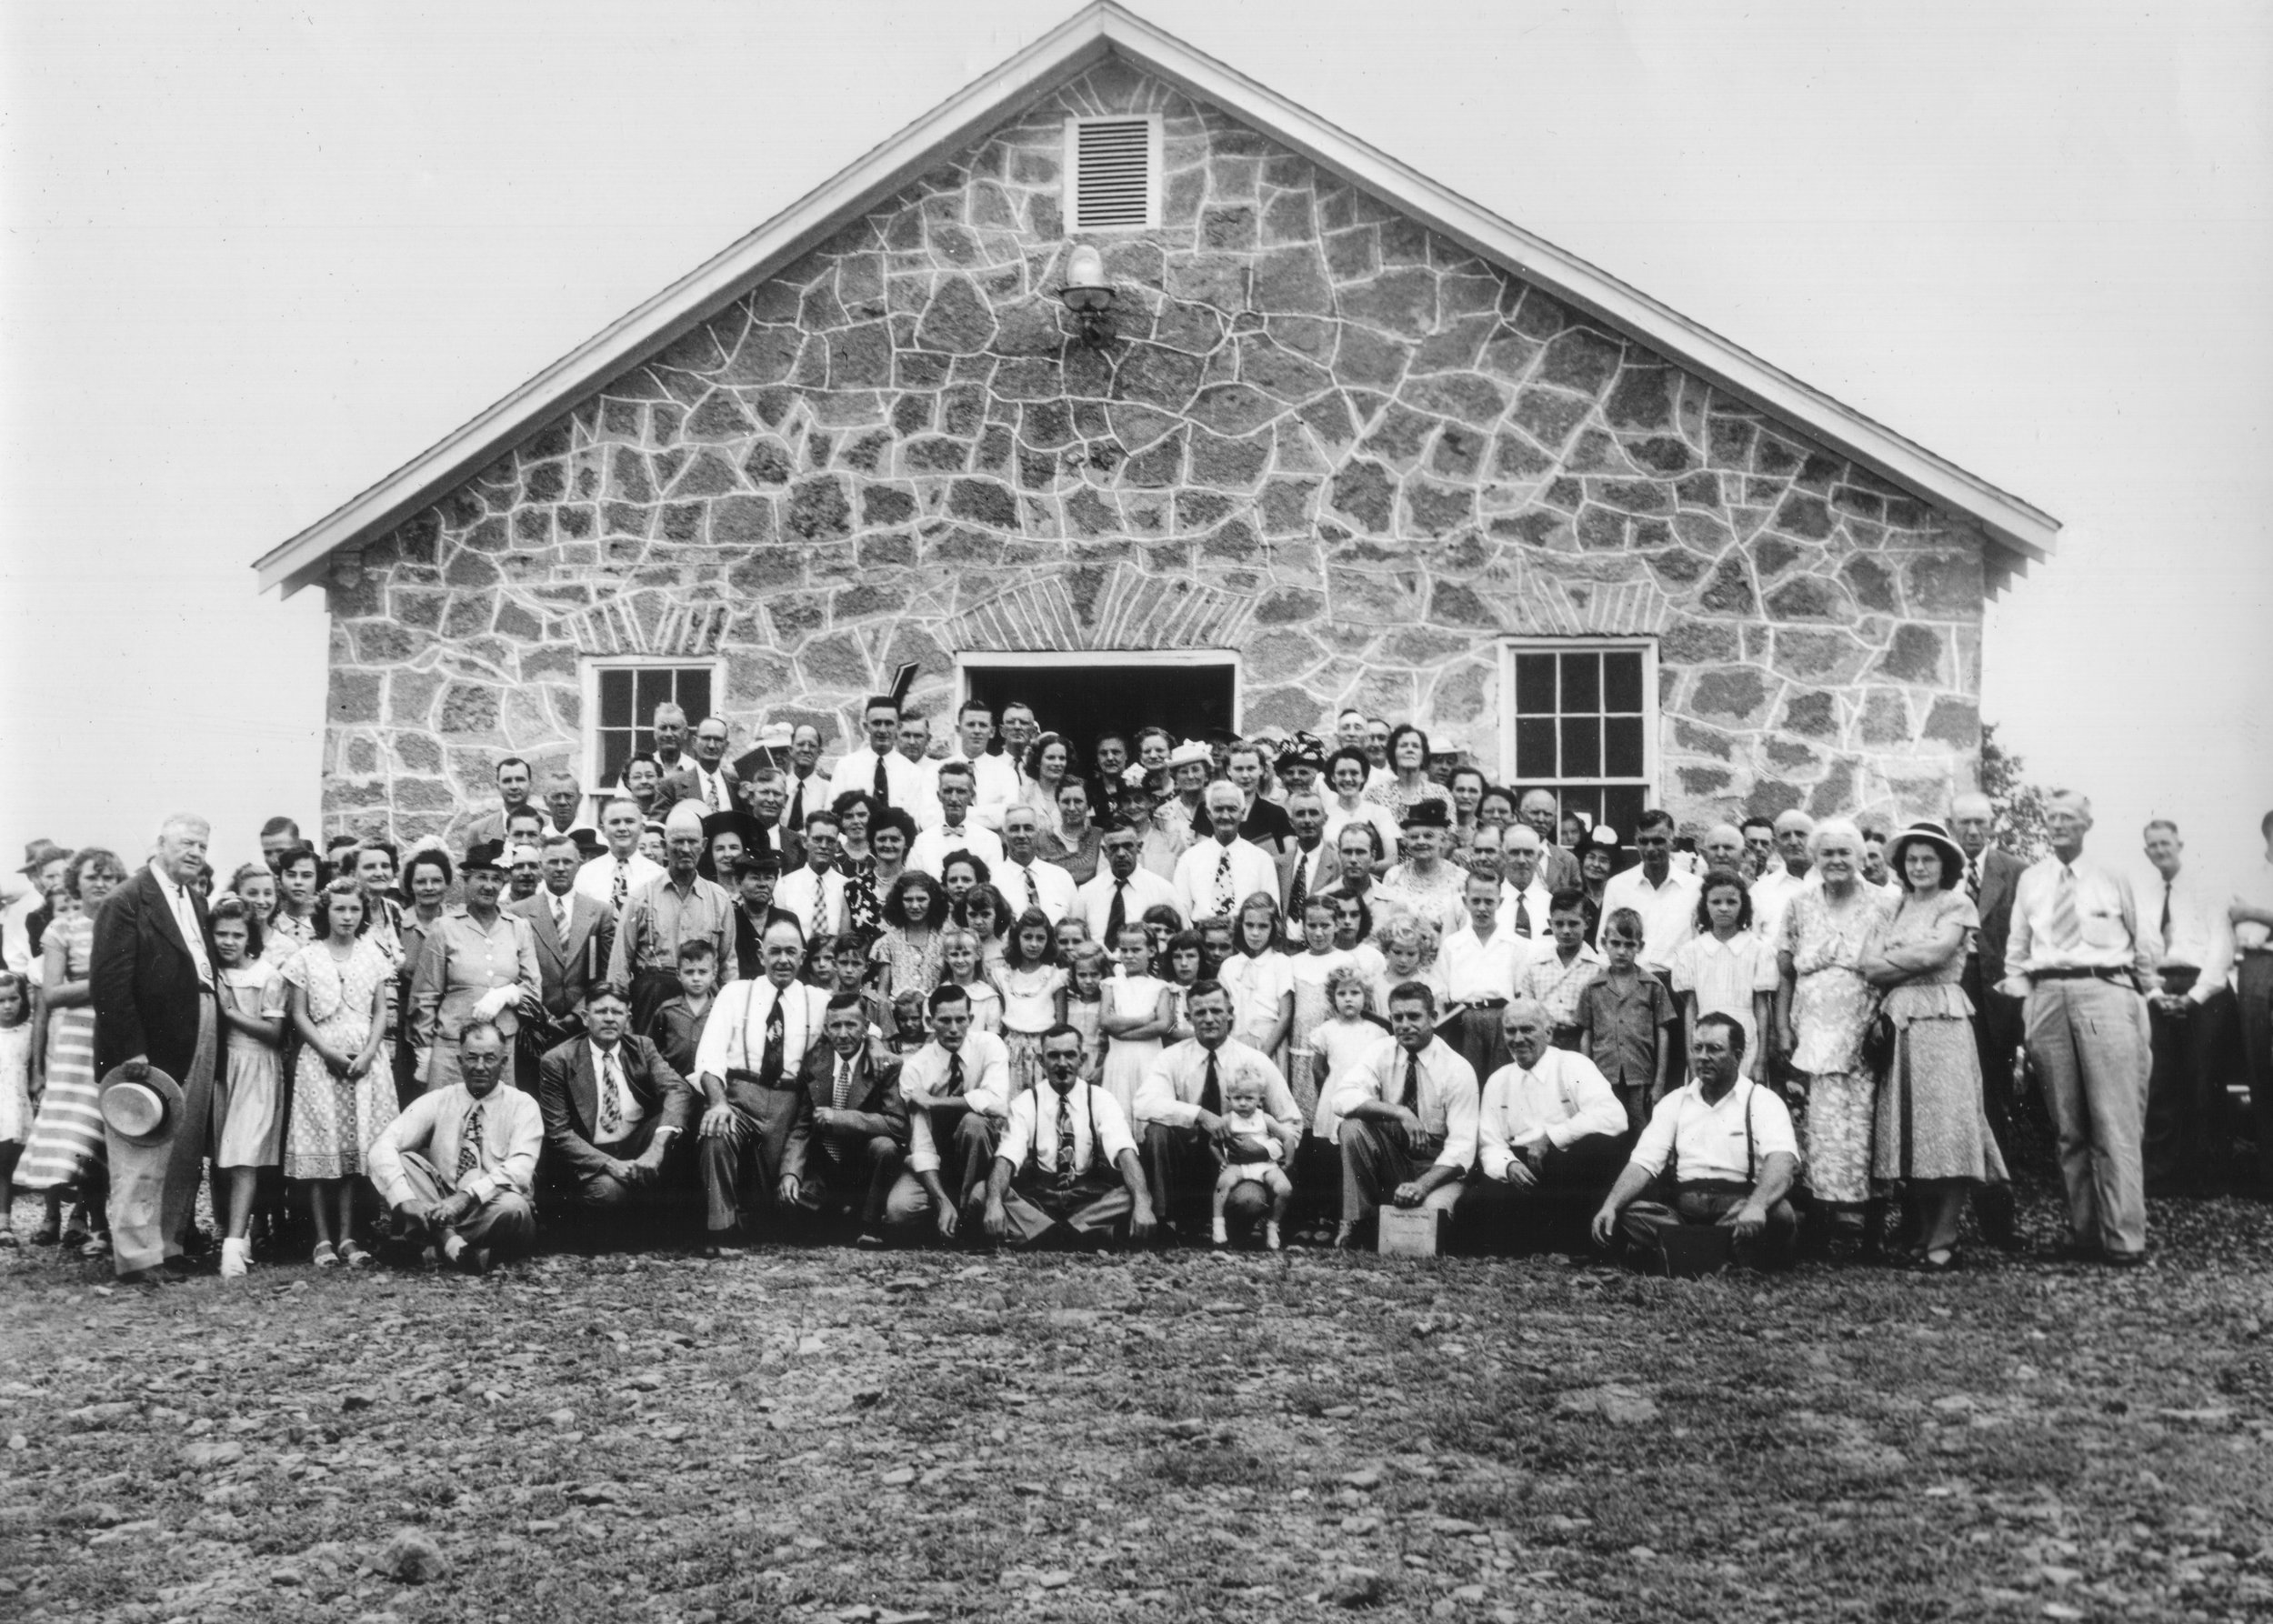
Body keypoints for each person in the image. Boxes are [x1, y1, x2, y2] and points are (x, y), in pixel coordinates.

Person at [1999, 790, 2158, 1265]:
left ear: (2088, 824)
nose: (2057, 825)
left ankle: (2125, 1236)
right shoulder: (2032, 879)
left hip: (2104, 990)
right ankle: (2084, 1232)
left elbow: (2144, 942)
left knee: (2115, 1120)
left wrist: (2139, 999)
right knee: (2067, 1127)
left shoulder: (2115, 875)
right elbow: (2017, 948)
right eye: (2051, 818)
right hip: (2048, 996)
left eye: (2068, 817)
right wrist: (2028, 1004)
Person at [1857, 820, 2010, 1270]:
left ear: (1945, 865)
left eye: (1928, 859)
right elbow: (1867, 966)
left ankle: (1946, 1237)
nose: (1919, 866)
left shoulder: (1956, 903)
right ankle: (1923, 1235)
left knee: (1949, 1127)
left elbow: (1937, 955)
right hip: (1901, 1023)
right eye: (1912, 859)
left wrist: (1894, 962)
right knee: (1914, 1131)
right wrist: (1904, 962)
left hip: (1943, 1020)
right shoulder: (1894, 907)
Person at [88, 816, 222, 1284]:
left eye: (203, 846)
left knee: (183, 1147)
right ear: (160, 843)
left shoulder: (197, 900)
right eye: (187, 842)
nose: (196, 852)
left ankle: (168, 1244)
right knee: (140, 1146)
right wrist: (131, 1050)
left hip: (200, 1026)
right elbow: (108, 985)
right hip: (148, 1043)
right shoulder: (126, 900)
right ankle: (136, 1256)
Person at [1591, 1014, 1800, 1270]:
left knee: (1779, 1214)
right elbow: (1644, 1162)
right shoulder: (1675, 1101)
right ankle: (1718, 1255)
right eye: (1697, 1048)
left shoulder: (1762, 1101)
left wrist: (1756, 1206)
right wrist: (1611, 1205)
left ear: (1738, 1055)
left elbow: (1782, 1160)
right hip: (1682, 1215)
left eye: (1714, 1049)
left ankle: (1682, 1254)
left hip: (1739, 1209)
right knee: (1629, 1213)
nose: (1702, 1057)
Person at [1776, 818, 1893, 1248]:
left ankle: (1871, 1231)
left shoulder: (1886, 903)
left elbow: (1896, 969)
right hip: (1816, 1031)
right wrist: (1784, 1030)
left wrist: (1884, 1018)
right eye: (1828, 853)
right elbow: (1785, 971)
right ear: (1815, 858)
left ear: (1862, 858)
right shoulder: (1799, 904)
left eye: (1846, 852)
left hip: (1867, 1029)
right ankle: (1824, 1227)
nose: (1837, 860)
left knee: (1866, 1124)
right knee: (1822, 1128)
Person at [692, 918, 834, 1251]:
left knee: (789, 1204)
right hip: (740, 1100)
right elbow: (709, 1056)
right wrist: (718, 1103)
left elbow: (864, 1033)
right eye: (774, 952)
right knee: (716, 1130)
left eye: (790, 952)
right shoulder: (736, 993)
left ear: (802, 957)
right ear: (760, 954)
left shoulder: (818, 1000)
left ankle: (764, 1216)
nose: (783, 960)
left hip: (790, 1108)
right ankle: (721, 1229)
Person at [280, 877, 397, 1267]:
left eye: (354, 909)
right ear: (325, 912)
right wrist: (327, 1051)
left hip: (365, 1060)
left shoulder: (373, 954)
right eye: (339, 909)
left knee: (352, 1156)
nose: (347, 917)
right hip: (321, 1061)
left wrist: (367, 1053)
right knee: (321, 1150)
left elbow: (381, 1010)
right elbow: (297, 1013)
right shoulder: (306, 958)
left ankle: (348, 1237)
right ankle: (322, 1239)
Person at [1132, 980, 1301, 1241]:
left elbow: (1291, 1123)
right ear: (1189, 1018)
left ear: (1230, 1013)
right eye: (1200, 1013)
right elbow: (1142, 1103)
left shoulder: (1254, 1061)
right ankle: (1167, 1223)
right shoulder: (1172, 1057)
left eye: (1217, 1011)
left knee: (1250, 1203)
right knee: (1157, 1132)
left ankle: (1227, 1226)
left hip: (1238, 1164)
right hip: (1186, 1163)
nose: (1209, 1019)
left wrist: (1266, 1150)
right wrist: (1199, 1114)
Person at [22, 848, 127, 1261]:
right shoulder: (61, 929)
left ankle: (128, 1227)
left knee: (124, 1130)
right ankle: (98, 1225)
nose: (100, 884)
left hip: (123, 1035)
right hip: (79, 1042)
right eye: (91, 878)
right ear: (74, 884)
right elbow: (52, 993)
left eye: (108, 877)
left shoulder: (128, 923)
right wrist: (111, 983)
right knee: (85, 1138)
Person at [368, 1020, 540, 1273]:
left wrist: (467, 1197)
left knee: (514, 1208)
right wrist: (404, 1200)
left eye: (490, 1059)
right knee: (404, 1160)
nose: (479, 1067)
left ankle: (427, 1245)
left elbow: (521, 1168)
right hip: (439, 1206)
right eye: (471, 1058)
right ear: (459, 1062)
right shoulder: (439, 1099)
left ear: (503, 1064)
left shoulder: (523, 1105)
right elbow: (381, 1146)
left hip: (488, 1208)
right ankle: (455, 1246)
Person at [1464, 998, 1628, 1252]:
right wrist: (1508, 1166)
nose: (1518, 1039)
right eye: (1510, 1031)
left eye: (1527, 1030)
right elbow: (1489, 1144)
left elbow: (1613, 1116)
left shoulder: (1573, 1064)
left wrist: (1550, 1138)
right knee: (1471, 1204)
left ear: (1549, 1032)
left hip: (1567, 1163)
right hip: (1522, 1169)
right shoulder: (1498, 1080)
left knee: (1599, 1151)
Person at [979, 1024, 1159, 1249]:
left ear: (1082, 1059)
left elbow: (1124, 1151)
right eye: (1053, 1056)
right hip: (1040, 1199)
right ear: (1041, 1061)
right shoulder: (1026, 1102)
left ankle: (1049, 1234)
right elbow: (1007, 1156)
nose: (1062, 1063)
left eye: (1070, 1055)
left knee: (1135, 1195)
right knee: (982, 1194)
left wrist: (1142, 1203)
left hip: (1089, 1199)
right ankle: (1085, 1235)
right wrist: (995, 1202)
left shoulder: (1101, 1099)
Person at [1327, 982, 1479, 1248]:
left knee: (1430, 1221)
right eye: (1398, 1017)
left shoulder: (1457, 1069)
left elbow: (1462, 1148)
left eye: (1414, 1016)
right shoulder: (1380, 1051)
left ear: (1433, 1018)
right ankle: (1358, 1223)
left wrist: (1422, 1185)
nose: (1405, 1025)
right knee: (1352, 1127)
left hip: (1436, 1166)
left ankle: (1408, 1216)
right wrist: (1400, 1112)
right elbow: (1342, 1097)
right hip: (1394, 1155)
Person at [536, 982, 693, 1235]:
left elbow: (678, 1089)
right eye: (601, 1012)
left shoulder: (642, 1048)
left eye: (617, 1012)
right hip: (591, 1157)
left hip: (636, 1147)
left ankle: (660, 1222)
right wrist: (610, 1164)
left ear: (628, 1018)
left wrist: (655, 1150)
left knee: (678, 1123)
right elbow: (558, 1133)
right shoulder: (558, 1061)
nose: (609, 1019)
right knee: (610, 1194)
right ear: (585, 1018)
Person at [2138, 817, 2238, 1195]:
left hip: (2206, 989)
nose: (2160, 850)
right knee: (2160, 1080)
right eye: (2153, 845)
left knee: (2203, 1080)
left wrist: (2193, 997)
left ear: (2180, 844)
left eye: (2166, 843)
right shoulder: (2143, 894)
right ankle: (2162, 1173)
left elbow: (2221, 950)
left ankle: (2206, 1175)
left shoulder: (2208, 887)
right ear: (2146, 852)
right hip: (2161, 988)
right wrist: (2153, 993)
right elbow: (2141, 951)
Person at [1949, 790, 2029, 1244]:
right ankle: (1942, 1218)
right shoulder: (1935, 869)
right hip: (1951, 1001)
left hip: (2001, 1006)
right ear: (1952, 824)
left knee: (1994, 1106)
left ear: (1992, 824)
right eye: (1965, 823)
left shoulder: (2016, 872)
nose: (1974, 831)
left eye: (1981, 822)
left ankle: (1998, 1219)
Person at [880, 983, 1014, 1239]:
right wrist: (940, 1199)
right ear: (930, 1021)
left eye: (960, 1020)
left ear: (971, 1019)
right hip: (938, 1158)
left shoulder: (989, 1045)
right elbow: (921, 1144)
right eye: (945, 1020)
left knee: (973, 1123)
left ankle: (965, 1215)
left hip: (981, 1154)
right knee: (898, 1212)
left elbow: (997, 1102)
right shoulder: (916, 1067)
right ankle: (948, 1209)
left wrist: (934, 1102)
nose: (953, 1029)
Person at [409, 842, 541, 1095]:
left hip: (500, 1049)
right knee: (449, 1119)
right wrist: (424, 1052)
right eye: (481, 877)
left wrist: (505, 995)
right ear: (466, 881)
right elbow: (424, 996)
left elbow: (533, 991)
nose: (489, 886)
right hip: (452, 1047)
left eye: (496, 879)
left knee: (497, 1120)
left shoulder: (517, 927)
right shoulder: (444, 927)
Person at [607, 801, 738, 1029]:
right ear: (665, 844)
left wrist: (730, 1017)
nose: (685, 849)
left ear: (703, 845)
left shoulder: (719, 899)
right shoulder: (641, 898)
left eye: (692, 842)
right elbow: (619, 967)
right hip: (652, 1002)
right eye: (678, 841)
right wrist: (621, 1019)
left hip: (704, 1006)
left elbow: (728, 966)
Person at [208, 895, 285, 1279]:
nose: (228, 941)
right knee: (224, 1159)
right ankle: (233, 1234)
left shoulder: (266, 975)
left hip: (255, 1068)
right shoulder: (210, 973)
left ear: (249, 937)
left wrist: (232, 1013)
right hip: (221, 1070)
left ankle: (233, 1248)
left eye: (237, 934)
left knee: (243, 1157)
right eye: (221, 933)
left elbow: (274, 1033)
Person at [795, 993, 907, 1246]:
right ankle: (832, 1216)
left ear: (867, 1028)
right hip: (825, 1164)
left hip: (863, 1165)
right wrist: (790, 1174)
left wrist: (842, 1119)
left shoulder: (886, 1065)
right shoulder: (814, 1061)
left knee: (885, 1147)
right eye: (836, 1025)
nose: (843, 1034)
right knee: (795, 1219)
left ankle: (870, 1226)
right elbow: (801, 1126)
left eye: (851, 1025)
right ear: (826, 1028)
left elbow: (898, 1125)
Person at [507, 832, 615, 1079]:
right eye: (552, 862)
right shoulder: (518, 913)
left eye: (567, 862)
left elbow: (605, 973)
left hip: (583, 1024)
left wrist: (577, 1015)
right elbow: (514, 973)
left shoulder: (600, 913)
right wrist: (541, 1014)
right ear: (541, 866)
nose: (560, 868)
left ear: (579, 864)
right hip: (534, 1027)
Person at [1667, 869, 1779, 1084]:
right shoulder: (1692, 951)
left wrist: (1761, 1059)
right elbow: (1691, 1008)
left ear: (1743, 905)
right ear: (1705, 905)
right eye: (1716, 902)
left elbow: (1762, 1007)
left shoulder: (1758, 950)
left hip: (1746, 1038)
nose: (1724, 908)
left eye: (1731, 901)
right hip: (1705, 1038)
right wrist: (1691, 1058)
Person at [1577, 907, 1674, 1136]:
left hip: (1639, 1071)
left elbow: (1663, 1033)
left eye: (1629, 945)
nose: (1622, 951)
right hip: (1603, 1073)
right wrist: (1584, 1077)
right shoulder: (1593, 987)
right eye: (1615, 943)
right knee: (1605, 1126)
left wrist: (1659, 1082)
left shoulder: (1652, 986)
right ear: (1604, 943)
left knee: (1639, 1123)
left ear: (1640, 946)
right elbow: (1586, 1034)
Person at [1438, 869, 1527, 1084]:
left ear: (1500, 902)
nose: (1482, 908)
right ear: (1465, 901)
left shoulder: (1515, 945)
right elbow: (1440, 991)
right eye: (1475, 901)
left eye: (1489, 901)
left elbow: (1521, 994)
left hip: (1500, 1021)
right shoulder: (1452, 944)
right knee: (1464, 1083)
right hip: (1462, 1022)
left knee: (1500, 1082)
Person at [2230, 809, 2273, 1193]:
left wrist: (2258, 913)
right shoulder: (2247, 878)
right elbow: (2242, 930)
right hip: (2258, 968)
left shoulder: (2252, 896)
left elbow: (2249, 916)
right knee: (2260, 1065)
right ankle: (2268, 1172)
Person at [1209, 1068, 1297, 1248]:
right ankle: (1218, 1225)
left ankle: (1273, 1226)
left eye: (1249, 1098)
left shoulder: (1265, 1119)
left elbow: (1287, 1137)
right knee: (1222, 1184)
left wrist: (1288, 1160)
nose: (1243, 1103)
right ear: (1229, 1098)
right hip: (1237, 1165)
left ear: (1260, 1099)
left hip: (1264, 1164)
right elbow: (1212, 1143)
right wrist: (1221, 1161)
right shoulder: (1227, 1120)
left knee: (1285, 1188)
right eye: (1237, 1098)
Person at [1097, 921, 1175, 1118]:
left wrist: (1122, 1033)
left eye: (1136, 950)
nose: (1129, 956)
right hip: (1119, 1059)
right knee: (1118, 1111)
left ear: (1151, 951)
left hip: (1149, 1058)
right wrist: (1143, 1020)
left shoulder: (1160, 987)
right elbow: (1106, 1021)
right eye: (1124, 950)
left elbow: (1163, 1025)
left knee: (1149, 1110)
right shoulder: (1111, 985)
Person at [1520, 889, 1605, 1050]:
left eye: (1573, 923)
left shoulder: (1598, 968)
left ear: (1587, 922)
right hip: (1542, 1042)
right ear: (1549, 923)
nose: (1566, 930)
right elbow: (1526, 1012)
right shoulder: (1535, 965)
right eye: (1559, 924)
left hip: (1581, 1043)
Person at [1076, 825, 1177, 949]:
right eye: (1114, 848)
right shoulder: (1087, 892)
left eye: (1127, 846)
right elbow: (1076, 938)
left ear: (1139, 847)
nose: (1121, 854)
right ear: (1104, 851)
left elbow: (1180, 938)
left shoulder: (1163, 891)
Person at [1376, 801, 1466, 937]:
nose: (1421, 842)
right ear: (1406, 842)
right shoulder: (1394, 876)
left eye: (1428, 836)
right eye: (1414, 837)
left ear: (1443, 840)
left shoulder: (1461, 879)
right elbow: (1385, 924)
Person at [828, 694, 923, 814]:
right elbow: (832, 814)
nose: (883, 730)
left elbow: (914, 821)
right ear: (866, 726)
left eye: (889, 723)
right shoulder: (846, 767)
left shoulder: (913, 773)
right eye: (877, 723)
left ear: (898, 727)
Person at [574, 795, 666, 917]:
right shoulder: (586, 874)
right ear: (603, 829)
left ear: (642, 828)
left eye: (629, 821)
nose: (622, 828)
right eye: (615, 822)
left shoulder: (658, 875)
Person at [908, 761, 1004, 875]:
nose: (954, 798)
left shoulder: (989, 841)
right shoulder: (923, 841)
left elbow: (992, 887)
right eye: (948, 791)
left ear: (971, 796)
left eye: (961, 791)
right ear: (939, 796)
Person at [776, 810, 849, 953]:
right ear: (804, 841)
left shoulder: (847, 887)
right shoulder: (785, 885)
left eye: (830, 841)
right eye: (817, 839)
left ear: (838, 846)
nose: (823, 845)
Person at [647, 940, 721, 1081]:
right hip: (674, 1084)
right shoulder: (667, 1011)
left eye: (703, 972)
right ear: (678, 975)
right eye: (689, 972)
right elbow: (653, 1050)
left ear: (714, 974)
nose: (696, 978)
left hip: (710, 1086)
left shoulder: (720, 1011)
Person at [942, 700, 1019, 833]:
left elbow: (1008, 817)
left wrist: (954, 812)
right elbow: (929, 817)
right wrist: (991, 811)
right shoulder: (937, 770)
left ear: (992, 731)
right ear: (958, 730)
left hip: (990, 846)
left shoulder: (1006, 773)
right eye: (971, 725)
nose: (977, 731)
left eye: (983, 725)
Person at [1278, 788, 1342, 947]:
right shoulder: (1279, 864)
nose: (1307, 820)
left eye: (1313, 813)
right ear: (1291, 821)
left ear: (1325, 819)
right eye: (1300, 814)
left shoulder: (1338, 864)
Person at [996, 807, 1078, 927]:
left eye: (1028, 828)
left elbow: (1076, 926)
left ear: (1038, 832)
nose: (1022, 835)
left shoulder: (1061, 877)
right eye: (1014, 829)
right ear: (1004, 835)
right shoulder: (993, 880)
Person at [1323, 748, 1399, 869]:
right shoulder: (1324, 816)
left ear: (1363, 777)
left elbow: (1391, 860)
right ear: (1333, 777)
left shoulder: (1380, 813)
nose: (1348, 779)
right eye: (1341, 773)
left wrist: (1359, 869)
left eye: (1354, 773)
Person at [1749, 809, 1817, 944]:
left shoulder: (1836, 881)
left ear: (1814, 839)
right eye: (1786, 836)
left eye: (1800, 834)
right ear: (1776, 844)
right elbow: (1750, 946)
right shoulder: (1760, 891)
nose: (1793, 841)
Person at [1363, 724, 1451, 824]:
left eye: (1416, 746)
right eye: (1403, 745)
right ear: (1393, 753)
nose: (1410, 750)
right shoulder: (1376, 795)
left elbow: (1451, 835)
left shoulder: (1441, 793)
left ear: (1423, 755)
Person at [0, 973, 31, 1248]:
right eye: (1, 1001)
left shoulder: (29, 1032)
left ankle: (4, 1224)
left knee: (5, 1166)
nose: (7, 1006)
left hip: (14, 1107)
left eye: (13, 998)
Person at [665, 716, 745, 813]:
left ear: (726, 746)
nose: (712, 745)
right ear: (694, 742)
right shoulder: (672, 784)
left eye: (718, 739)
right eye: (706, 738)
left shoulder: (735, 784)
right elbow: (657, 827)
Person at [1516, 791, 1584, 895]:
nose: (1541, 819)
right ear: (1521, 815)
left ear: (1554, 819)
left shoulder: (1569, 861)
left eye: (1548, 814)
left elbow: (1575, 905)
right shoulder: (1506, 855)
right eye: (1535, 813)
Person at [1038, 780, 1103, 885]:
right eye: (1065, 801)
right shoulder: (1041, 839)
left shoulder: (1100, 837)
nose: (1072, 808)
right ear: (1057, 804)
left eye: (1078, 801)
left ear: (1088, 805)